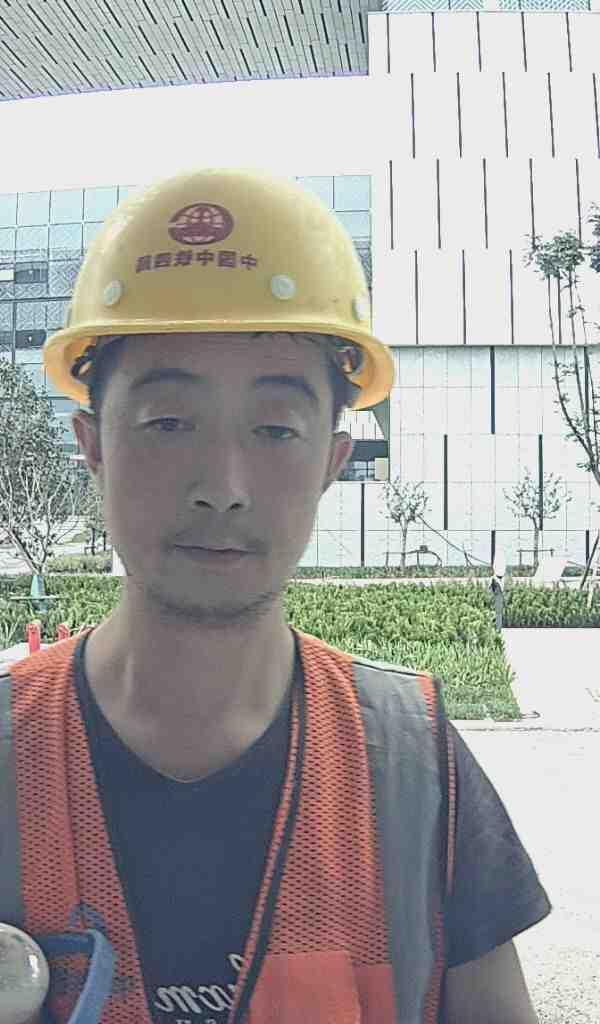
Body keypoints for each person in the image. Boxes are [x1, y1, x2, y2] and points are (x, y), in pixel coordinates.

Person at [1, 167, 550, 1024]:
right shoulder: (8, 755)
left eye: (275, 429)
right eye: (168, 423)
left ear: (332, 460)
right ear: (93, 445)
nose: (223, 487)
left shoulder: (413, 767)